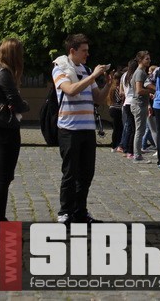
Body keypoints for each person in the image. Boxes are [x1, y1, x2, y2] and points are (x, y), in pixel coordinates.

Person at [52, 33, 111, 225]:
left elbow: (98, 98)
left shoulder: (85, 70)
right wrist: (93, 75)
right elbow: (70, 90)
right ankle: (65, 212)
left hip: (87, 128)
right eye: (84, 51)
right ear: (72, 51)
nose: (87, 54)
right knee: (70, 172)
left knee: (86, 173)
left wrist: (108, 84)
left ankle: (80, 212)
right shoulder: (59, 68)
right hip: (69, 129)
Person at [0, 38, 29, 221]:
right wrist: (24, 104)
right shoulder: (4, 72)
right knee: (3, 176)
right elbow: (16, 103)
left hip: (2, 126)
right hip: (5, 128)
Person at [130, 50, 152, 162]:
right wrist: (151, 91)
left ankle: (137, 153)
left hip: (140, 104)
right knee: (140, 130)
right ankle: (137, 154)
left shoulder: (141, 72)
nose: (149, 60)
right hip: (139, 104)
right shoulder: (140, 73)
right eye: (146, 59)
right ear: (140, 60)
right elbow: (139, 90)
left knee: (141, 129)